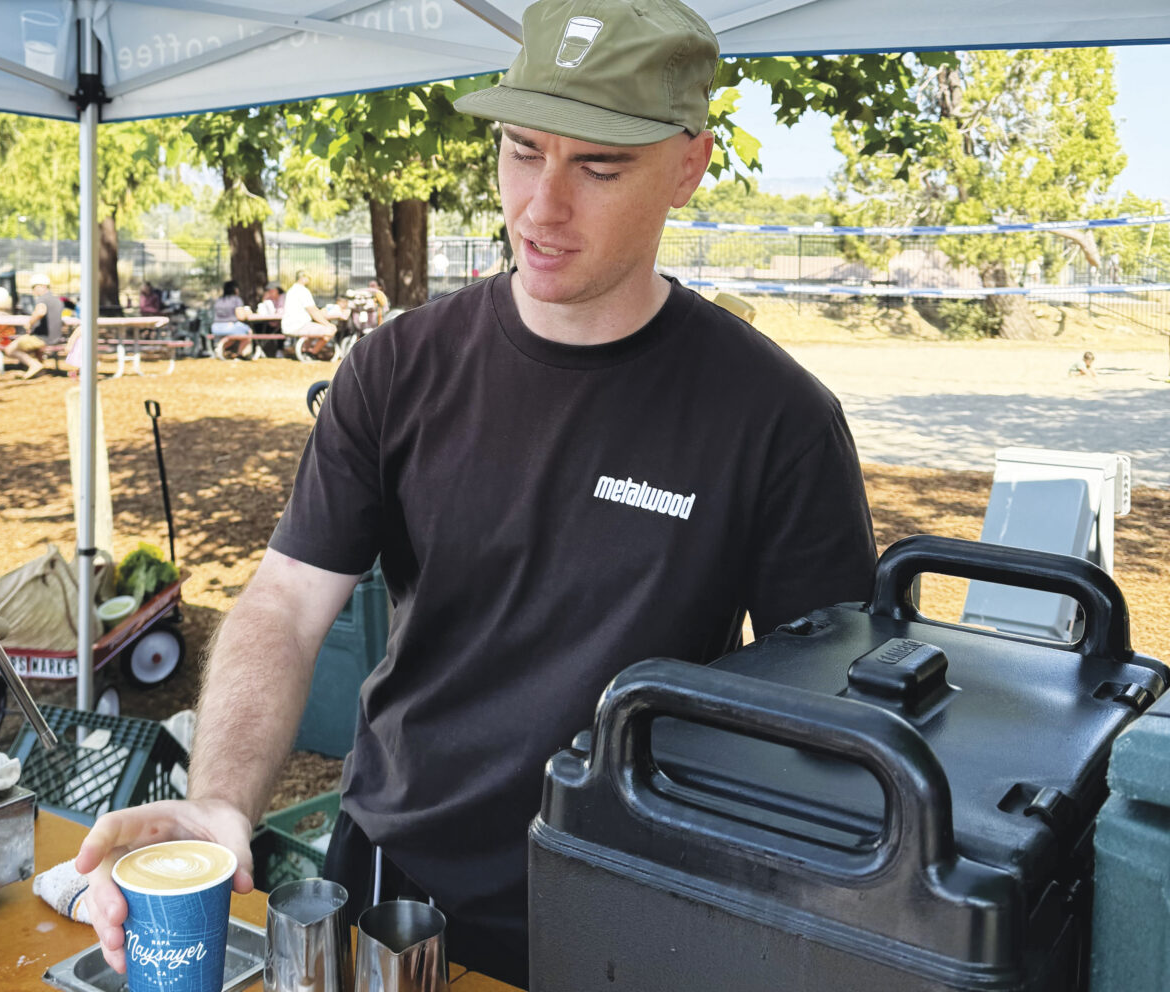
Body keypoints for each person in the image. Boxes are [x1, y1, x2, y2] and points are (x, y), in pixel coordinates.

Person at [76, 1, 877, 987]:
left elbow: (831, 725)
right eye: (521, 148)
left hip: (636, 908)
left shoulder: (778, 419)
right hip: (391, 890)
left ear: (688, 163)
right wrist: (218, 799)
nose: (541, 205)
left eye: (599, 165)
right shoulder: (398, 368)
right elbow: (284, 605)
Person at [3, 274, 62, 379]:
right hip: (55, 338)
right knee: (29, 345)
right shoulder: (57, 300)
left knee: (10, 349)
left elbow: (40, 312)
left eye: (34, 287)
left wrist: (30, 323)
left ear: (41, 286)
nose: (33, 291)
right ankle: (40, 369)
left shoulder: (43, 299)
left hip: (42, 338)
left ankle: (34, 365)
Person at [281, 270, 337, 358]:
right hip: (299, 325)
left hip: (289, 324)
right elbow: (312, 310)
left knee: (314, 330)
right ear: (303, 278)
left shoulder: (291, 290)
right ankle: (312, 353)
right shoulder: (303, 291)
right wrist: (327, 324)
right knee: (331, 329)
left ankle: (303, 350)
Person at [211, 279, 254, 358]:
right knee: (248, 332)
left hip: (215, 327)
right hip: (230, 326)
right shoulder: (236, 299)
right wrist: (247, 312)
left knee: (233, 336)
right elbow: (241, 317)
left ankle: (221, 347)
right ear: (235, 289)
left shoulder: (219, 300)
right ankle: (241, 354)